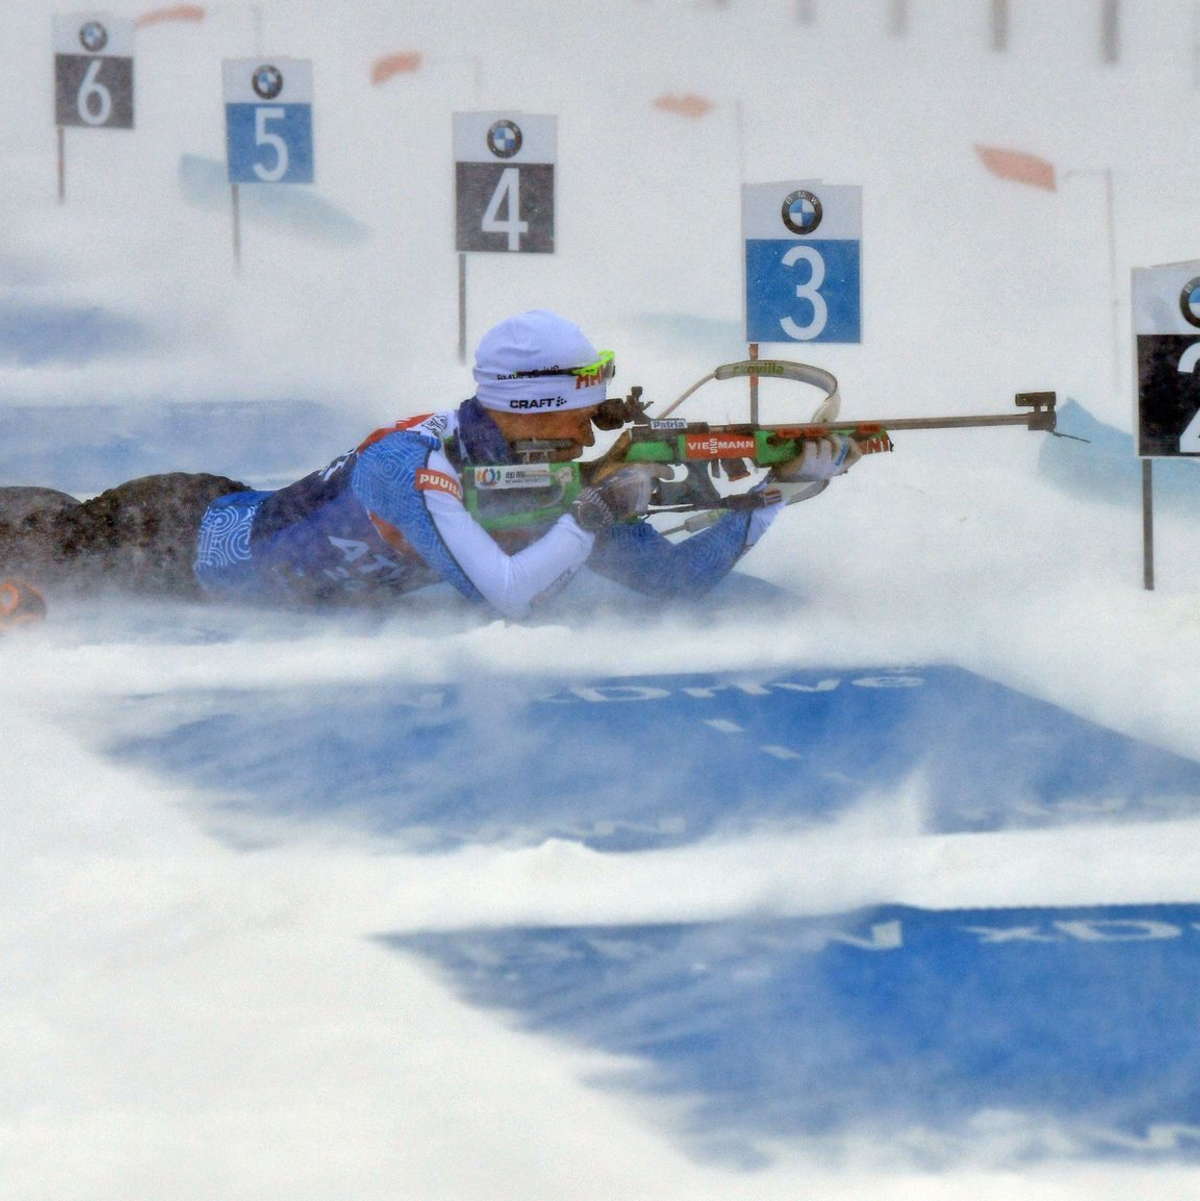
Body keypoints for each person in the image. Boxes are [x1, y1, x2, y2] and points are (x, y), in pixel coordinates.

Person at [0, 310, 859, 620]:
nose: (597, 419)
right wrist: (599, 510)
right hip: (168, 544)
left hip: (221, 512)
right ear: (527, 404)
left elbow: (674, 583)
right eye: (579, 400)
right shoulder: (416, 466)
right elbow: (509, 595)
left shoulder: (550, 490)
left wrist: (774, 494)